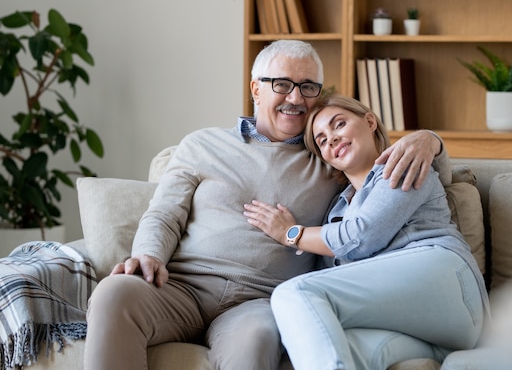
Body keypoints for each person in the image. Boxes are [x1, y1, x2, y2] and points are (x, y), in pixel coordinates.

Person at [83, 40, 448, 370]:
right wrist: (149, 254)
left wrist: (429, 140)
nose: (296, 98)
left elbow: (397, 173)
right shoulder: (201, 145)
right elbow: (164, 213)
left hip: (261, 301)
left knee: (256, 339)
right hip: (181, 288)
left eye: (308, 87)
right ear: (256, 89)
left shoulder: (327, 154)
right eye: (282, 84)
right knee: (114, 294)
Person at [243, 95, 490, 370]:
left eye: (339, 125)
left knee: (294, 294)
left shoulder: (401, 164)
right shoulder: (336, 212)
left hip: (447, 282)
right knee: (337, 346)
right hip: (431, 333)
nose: (332, 140)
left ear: (369, 121)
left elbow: (361, 236)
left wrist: (292, 234)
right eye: (322, 140)